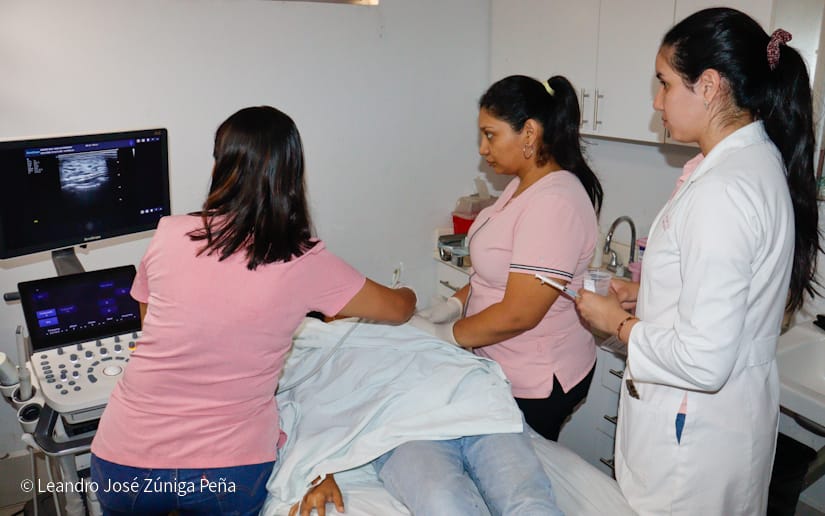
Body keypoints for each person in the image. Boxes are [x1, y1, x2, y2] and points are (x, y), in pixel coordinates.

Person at [89, 106, 416, 516]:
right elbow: (398, 309)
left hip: (124, 459)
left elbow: (149, 319)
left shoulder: (170, 233)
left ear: (220, 166)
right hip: (228, 472)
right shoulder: (303, 259)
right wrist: (409, 292)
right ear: (292, 176)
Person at [575, 8, 819, 515]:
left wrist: (617, 323)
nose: (657, 101)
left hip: (693, 440)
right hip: (721, 425)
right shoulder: (750, 163)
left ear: (708, 86)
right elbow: (729, 292)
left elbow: (703, 360)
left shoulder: (723, 191)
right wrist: (646, 294)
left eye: (664, 83)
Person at [415, 74, 604, 441]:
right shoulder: (520, 185)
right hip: (501, 363)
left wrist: (445, 334)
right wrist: (453, 305)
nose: (483, 149)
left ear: (529, 133)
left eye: (490, 135)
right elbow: (493, 274)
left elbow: (520, 313)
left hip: (536, 377)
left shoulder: (554, 203)